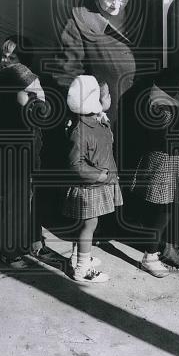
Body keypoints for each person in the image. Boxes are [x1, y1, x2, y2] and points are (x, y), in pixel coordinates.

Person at [131, 70, 179, 277]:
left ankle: (161, 247)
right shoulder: (162, 110)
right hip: (163, 166)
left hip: (172, 163)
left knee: (166, 210)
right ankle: (150, 256)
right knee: (162, 211)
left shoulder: (172, 106)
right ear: (173, 90)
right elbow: (165, 138)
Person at [55, 0, 137, 134]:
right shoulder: (78, 22)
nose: (117, 5)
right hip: (107, 116)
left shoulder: (141, 10)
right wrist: (88, 110)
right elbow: (66, 73)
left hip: (140, 110)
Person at [0, 61, 49, 269]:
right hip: (16, 172)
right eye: (28, 91)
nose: (34, 95)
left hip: (26, 169)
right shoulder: (14, 115)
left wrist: (34, 94)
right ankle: (10, 253)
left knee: (26, 208)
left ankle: (27, 243)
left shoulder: (12, 110)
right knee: (14, 211)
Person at [63, 75, 121, 284]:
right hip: (90, 187)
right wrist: (99, 175)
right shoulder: (82, 129)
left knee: (87, 225)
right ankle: (82, 268)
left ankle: (79, 256)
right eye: (106, 96)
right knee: (89, 226)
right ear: (93, 99)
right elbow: (75, 165)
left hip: (97, 183)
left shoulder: (95, 121)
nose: (110, 99)